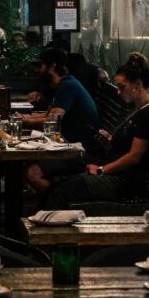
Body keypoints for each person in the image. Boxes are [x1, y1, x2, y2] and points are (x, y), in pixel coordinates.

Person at [45, 53, 149, 208]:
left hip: (123, 182)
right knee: (57, 188)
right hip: (116, 175)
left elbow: (134, 157)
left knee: (59, 193)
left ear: (136, 84)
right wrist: (110, 140)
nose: (118, 92)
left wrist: (102, 170)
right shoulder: (137, 111)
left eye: (121, 87)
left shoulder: (148, 114)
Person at [23, 47, 100, 193]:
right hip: (70, 146)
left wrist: (25, 122)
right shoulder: (64, 85)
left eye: (40, 66)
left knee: (33, 173)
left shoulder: (67, 86)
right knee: (25, 163)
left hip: (81, 152)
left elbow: (52, 121)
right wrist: (25, 118)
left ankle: (60, 202)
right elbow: (48, 115)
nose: (37, 70)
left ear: (52, 66)